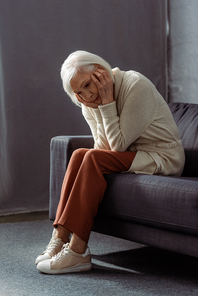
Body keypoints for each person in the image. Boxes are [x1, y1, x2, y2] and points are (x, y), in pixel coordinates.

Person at [35, 50, 185, 274]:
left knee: (92, 158)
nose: (86, 95)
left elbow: (117, 146)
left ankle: (78, 251)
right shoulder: (88, 102)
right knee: (79, 155)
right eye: (79, 92)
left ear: (100, 71)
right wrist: (97, 107)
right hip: (132, 155)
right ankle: (59, 238)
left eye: (87, 84)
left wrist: (106, 103)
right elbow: (103, 148)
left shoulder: (135, 85)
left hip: (161, 156)